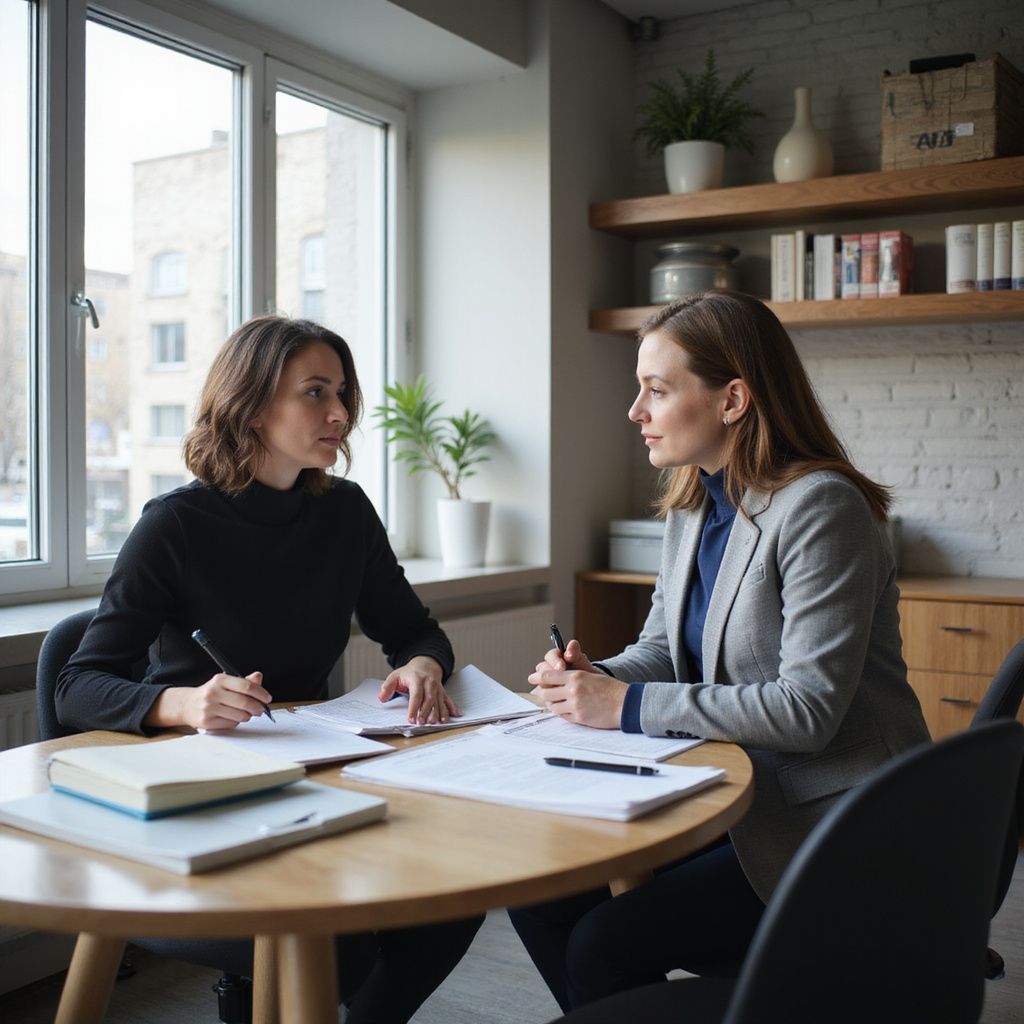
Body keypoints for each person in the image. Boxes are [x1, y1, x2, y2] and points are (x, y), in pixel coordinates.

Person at [509, 291, 930, 1013]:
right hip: (740, 797)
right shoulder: (696, 504)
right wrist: (597, 679)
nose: (634, 411)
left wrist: (628, 706)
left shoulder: (822, 509)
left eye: (657, 390)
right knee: (539, 893)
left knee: (603, 942)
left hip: (833, 822)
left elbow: (808, 713)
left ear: (733, 398)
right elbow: (661, 651)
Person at [56, 314, 482, 1024]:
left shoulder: (345, 512)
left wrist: (421, 666)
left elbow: (414, 630)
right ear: (252, 405)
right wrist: (187, 704)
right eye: (315, 392)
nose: (341, 413)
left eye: (342, 392)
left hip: (312, 778)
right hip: (199, 795)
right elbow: (77, 684)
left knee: (465, 888)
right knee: (346, 948)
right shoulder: (173, 525)